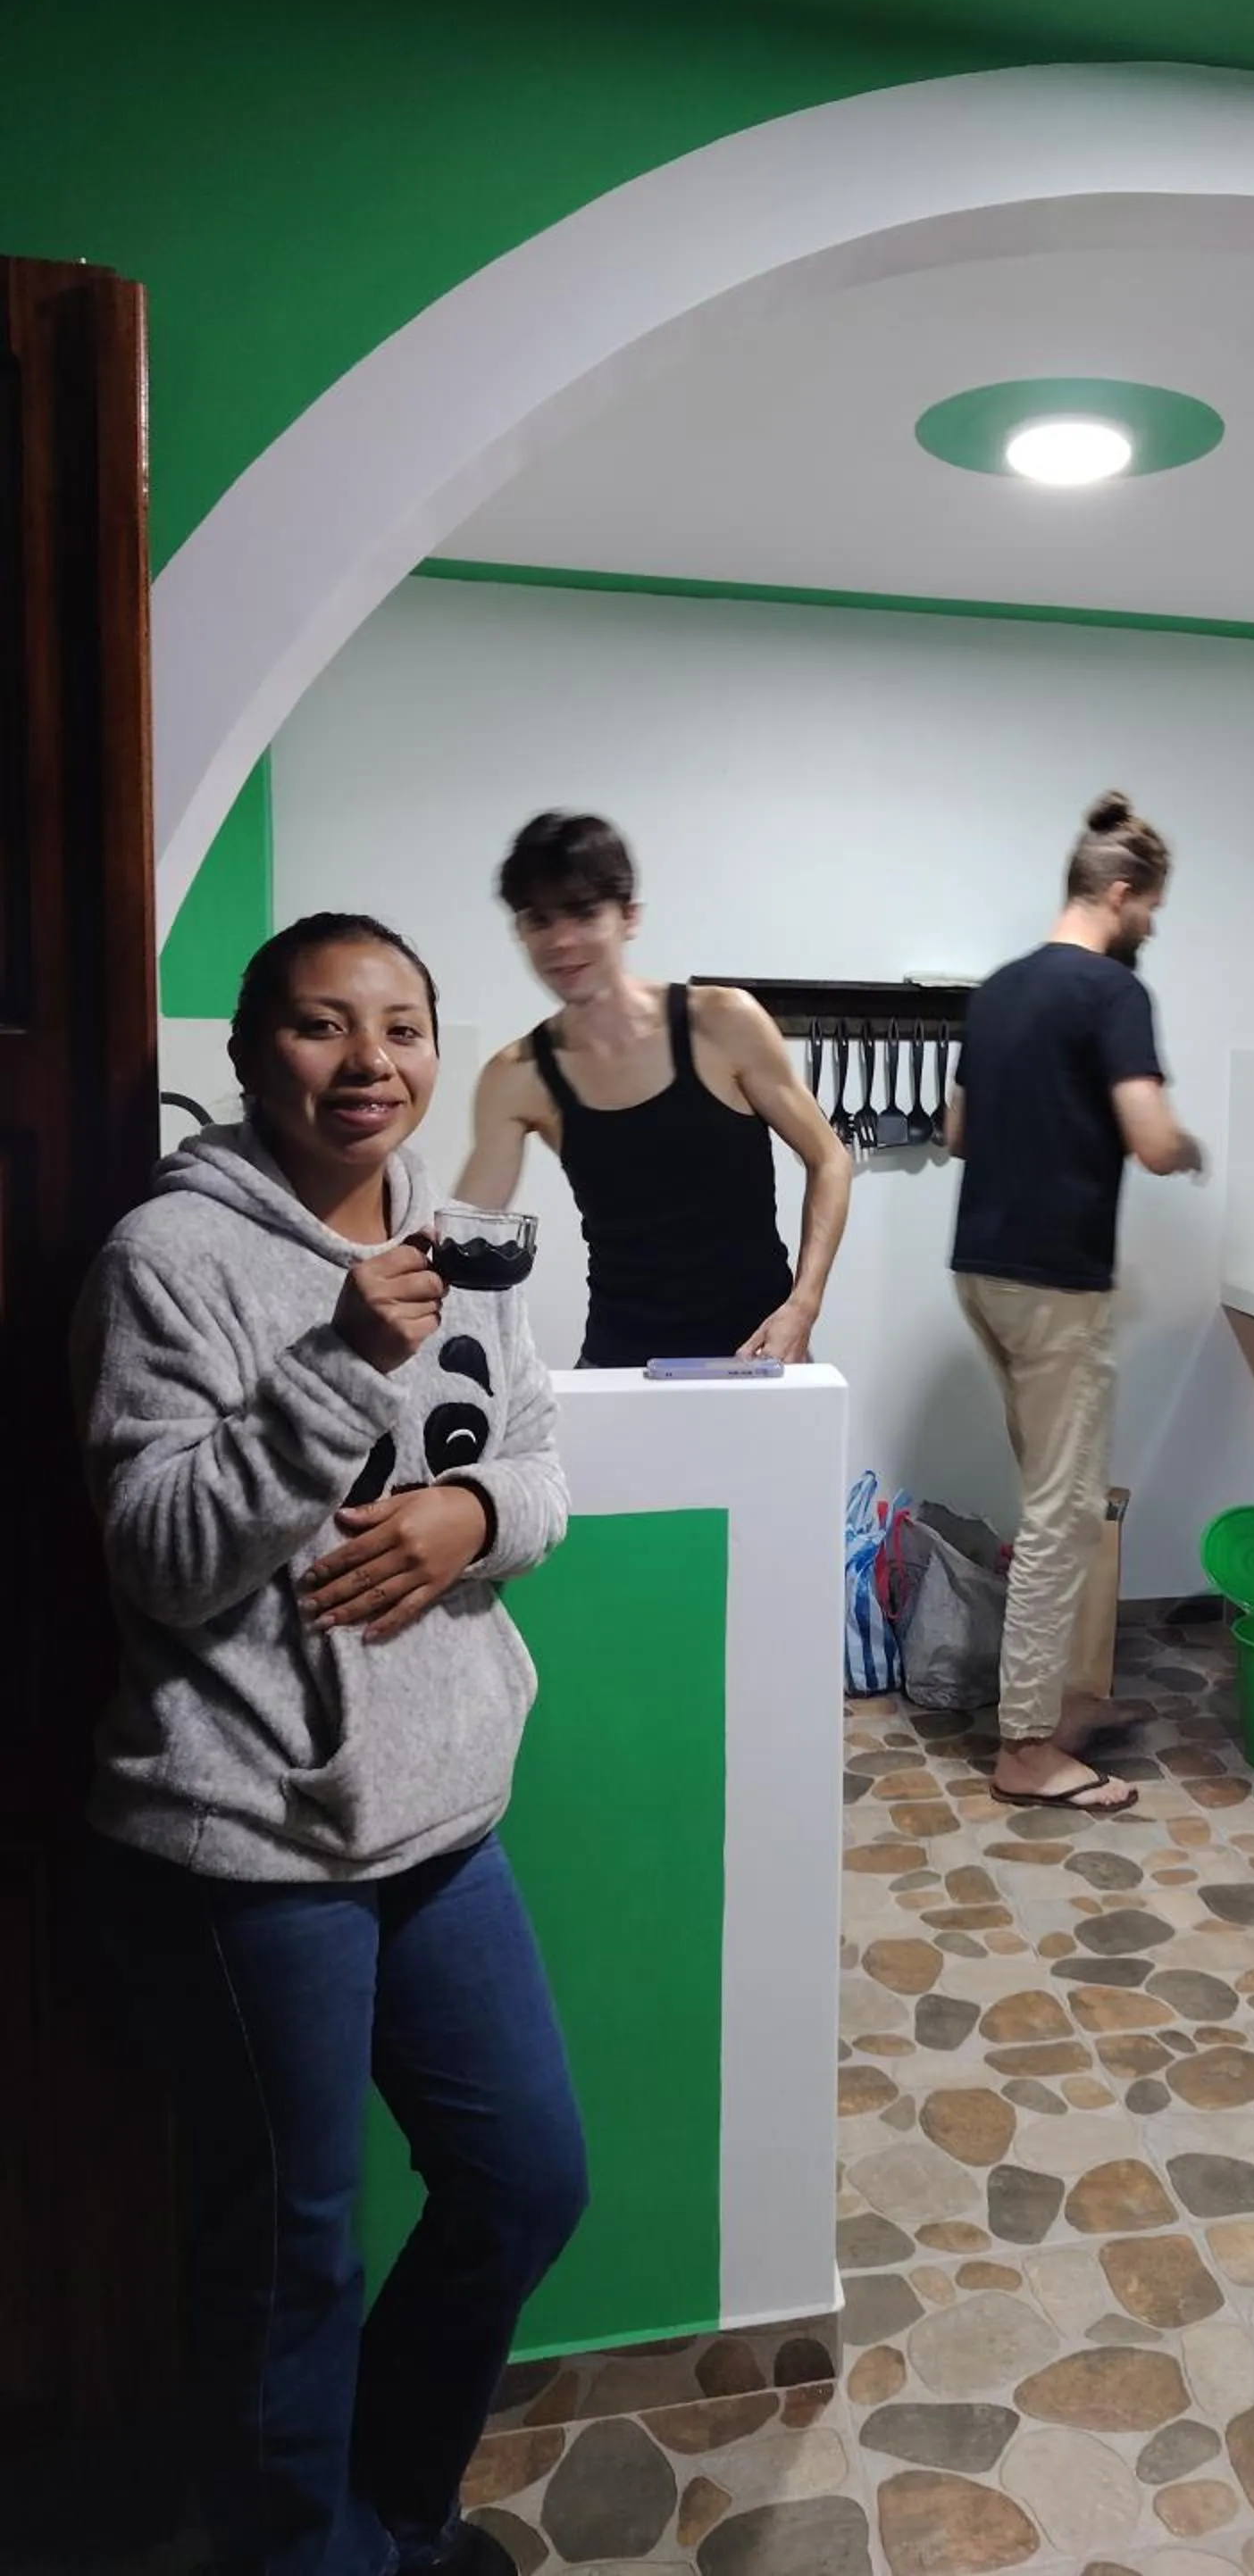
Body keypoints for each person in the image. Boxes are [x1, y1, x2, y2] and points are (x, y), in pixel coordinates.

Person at [76, 913, 585, 2576]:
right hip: (252, 1840)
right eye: (318, 1027)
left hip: (441, 1815)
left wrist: (470, 1513)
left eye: (401, 1026)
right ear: (246, 1055)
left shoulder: (467, 1242)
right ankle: (312, 2550)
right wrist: (337, 1367)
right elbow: (157, 1550)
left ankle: (396, 2511)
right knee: (291, 2254)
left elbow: (540, 1463)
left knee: (523, 2186)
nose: (368, 1061)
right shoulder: (169, 1257)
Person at [949, 792, 1206, 1816]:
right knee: (1064, 1516)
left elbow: (960, 1129)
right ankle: (1025, 1749)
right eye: (1150, 909)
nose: (1151, 927)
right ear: (1119, 892)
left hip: (983, 1274)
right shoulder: (1110, 992)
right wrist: (1185, 1147)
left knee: (1056, 1500)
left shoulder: (1000, 989)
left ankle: (1060, 1703)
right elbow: (1149, 1136)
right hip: (1056, 1285)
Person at [457, 812, 849, 1366]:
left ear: (629, 918)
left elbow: (828, 1157)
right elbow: (466, 1232)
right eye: (539, 920)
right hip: (619, 1363)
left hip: (758, 1354)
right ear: (521, 932)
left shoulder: (721, 1022)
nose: (562, 941)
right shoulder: (518, 1075)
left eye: (584, 913)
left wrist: (804, 1305)